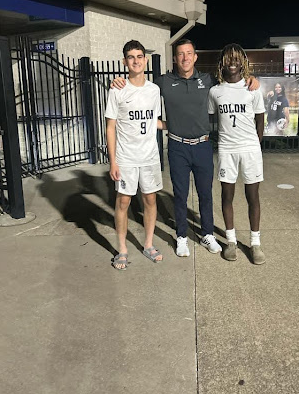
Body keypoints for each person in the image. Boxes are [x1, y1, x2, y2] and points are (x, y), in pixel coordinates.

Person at [110, 38, 259, 258]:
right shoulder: (163, 82)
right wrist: (117, 82)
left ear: (195, 56)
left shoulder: (208, 80)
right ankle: (181, 236)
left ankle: (207, 233)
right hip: (178, 146)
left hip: (202, 145)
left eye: (189, 53)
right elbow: (139, 87)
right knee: (179, 195)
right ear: (175, 58)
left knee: (205, 194)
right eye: (180, 54)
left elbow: (232, 81)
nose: (185, 58)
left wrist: (251, 79)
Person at [105, 40, 166, 270]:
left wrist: (179, 125)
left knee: (150, 199)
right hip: (126, 157)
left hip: (149, 156)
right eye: (131, 57)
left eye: (140, 56)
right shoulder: (118, 89)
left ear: (145, 60)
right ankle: (122, 249)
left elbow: (153, 122)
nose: (136, 61)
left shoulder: (154, 90)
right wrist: (113, 161)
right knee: (123, 201)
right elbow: (110, 127)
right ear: (124, 62)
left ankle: (148, 244)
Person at [208, 43, 266, 264]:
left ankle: (255, 244)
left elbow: (260, 119)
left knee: (253, 197)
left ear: (243, 62)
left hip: (249, 149)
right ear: (222, 62)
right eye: (228, 58)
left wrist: (255, 143)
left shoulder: (253, 89)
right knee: (227, 195)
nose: (232, 61)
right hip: (227, 150)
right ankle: (231, 241)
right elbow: (211, 118)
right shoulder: (215, 91)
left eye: (236, 58)